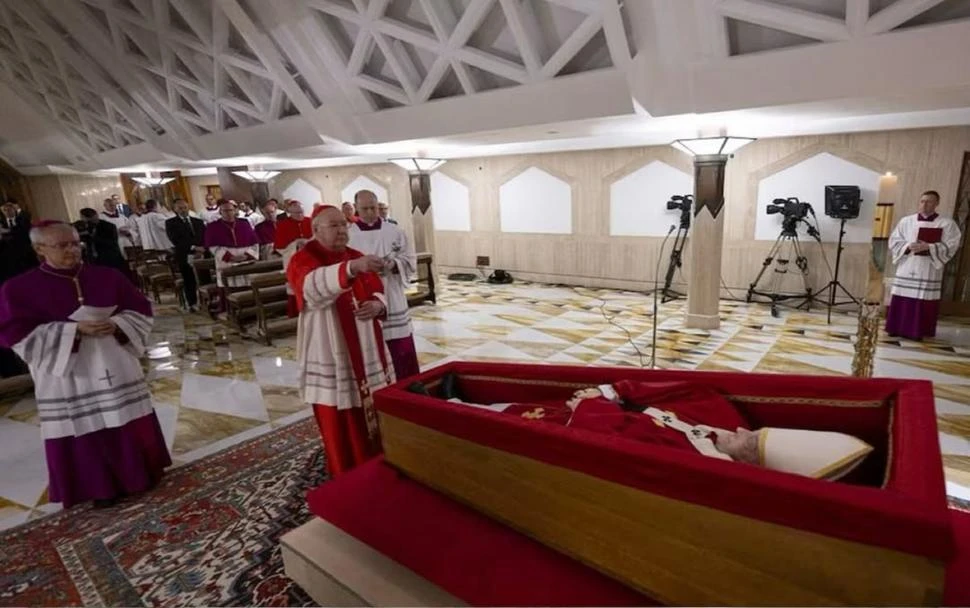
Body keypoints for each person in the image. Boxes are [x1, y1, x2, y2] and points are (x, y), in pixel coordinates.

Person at [0, 221, 171, 508]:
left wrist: (117, 323)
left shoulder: (108, 276)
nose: (72, 250)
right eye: (62, 245)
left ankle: (141, 475)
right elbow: (14, 334)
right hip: (68, 373)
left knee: (125, 418)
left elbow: (141, 309)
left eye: (75, 243)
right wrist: (73, 331)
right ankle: (99, 487)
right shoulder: (17, 289)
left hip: (113, 360)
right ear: (39, 249)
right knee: (84, 426)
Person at [287, 205, 393, 477]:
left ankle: (378, 460)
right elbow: (311, 289)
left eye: (344, 225)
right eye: (334, 225)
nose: (342, 230)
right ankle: (346, 470)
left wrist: (378, 305)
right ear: (315, 230)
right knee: (339, 412)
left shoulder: (354, 255)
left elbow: (377, 289)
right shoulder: (303, 258)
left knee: (374, 408)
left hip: (366, 345)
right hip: (330, 346)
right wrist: (350, 269)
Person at [349, 190, 420, 380]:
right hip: (366, 295)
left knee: (400, 343)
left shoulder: (394, 231)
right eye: (365, 208)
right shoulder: (349, 235)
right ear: (356, 208)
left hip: (392, 291)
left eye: (374, 207)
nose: (371, 212)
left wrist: (393, 264)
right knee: (373, 344)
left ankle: (409, 385)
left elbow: (410, 259)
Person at [886, 190, 962, 340]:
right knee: (902, 294)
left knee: (923, 298)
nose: (925, 204)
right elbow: (894, 240)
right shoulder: (906, 221)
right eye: (922, 201)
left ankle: (919, 330)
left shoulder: (946, 223)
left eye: (929, 201)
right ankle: (896, 327)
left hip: (928, 267)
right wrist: (908, 246)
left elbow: (953, 244)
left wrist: (930, 247)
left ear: (936, 204)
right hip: (908, 264)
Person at [203, 199, 259, 293]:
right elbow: (213, 247)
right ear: (220, 212)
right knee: (229, 287)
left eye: (230, 210)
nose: (228, 213)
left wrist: (247, 255)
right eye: (225, 211)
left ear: (235, 211)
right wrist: (229, 257)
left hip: (245, 261)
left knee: (248, 287)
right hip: (226, 262)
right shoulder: (213, 227)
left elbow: (254, 243)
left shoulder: (244, 223)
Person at [166, 199, 206, 312]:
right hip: (185, 254)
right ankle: (192, 303)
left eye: (185, 207)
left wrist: (202, 248)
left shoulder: (198, 221)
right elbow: (175, 240)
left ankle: (207, 301)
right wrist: (193, 247)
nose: (183, 210)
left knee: (204, 277)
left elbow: (204, 236)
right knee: (189, 280)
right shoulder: (171, 223)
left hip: (201, 253)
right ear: (175, 209)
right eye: (180, 208)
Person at [274, 200, 313, 316]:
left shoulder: (310, 221)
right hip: (293, 261)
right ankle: (296, 313)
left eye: (301, 212)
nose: (300, 215)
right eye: (296, 213)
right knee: (294, 287)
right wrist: (295, 245)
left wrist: (308, 243)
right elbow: (279, 247)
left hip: (311, 260)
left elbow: (318, 238)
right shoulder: (283, 225)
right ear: (289, 212)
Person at [74, 208, 129, 276]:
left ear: (93, 216)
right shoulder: (86, 227)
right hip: (94, 261)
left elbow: (112, 243)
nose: (83, 220)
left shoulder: (109, 226)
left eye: (84, 218)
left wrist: (93, 237)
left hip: (110, 259)